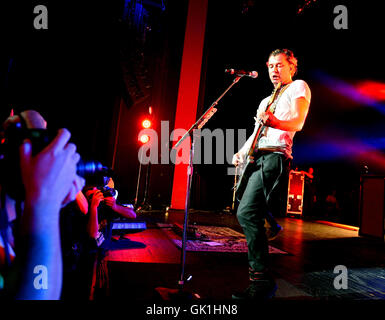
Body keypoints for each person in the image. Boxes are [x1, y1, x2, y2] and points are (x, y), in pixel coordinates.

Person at [232, 49, 311, 299]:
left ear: (292, 67)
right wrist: (241, 153)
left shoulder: (298, 86)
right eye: (270, 66)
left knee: (246, 212)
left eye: (279, 65)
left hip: (275, 155)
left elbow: (298, 123)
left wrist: (275, 122)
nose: (274, 70)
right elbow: (257, 131)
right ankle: (271, 224)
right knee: (240, 203)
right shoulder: (265, 101)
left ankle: (261, 281)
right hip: (257, 155)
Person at [0, 110, 84, 299]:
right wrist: (45, 207)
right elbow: (40, 291)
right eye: (40, 144)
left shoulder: (17, 212)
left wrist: (45, 206)